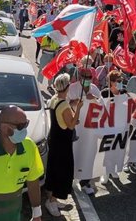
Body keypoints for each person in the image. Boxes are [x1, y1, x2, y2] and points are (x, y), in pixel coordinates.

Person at [43, 74, 84, 216]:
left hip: (54, 139)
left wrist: (72, 107)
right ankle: (52, 201)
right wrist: (78, 108)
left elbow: (64, 119)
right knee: (61, 171)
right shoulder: (64, 104)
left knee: (53, 169)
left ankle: (52, 198)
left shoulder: (54, 99)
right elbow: (71, 125)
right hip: (62, 143)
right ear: (67, 87)